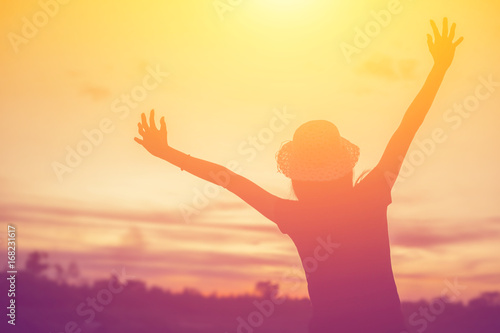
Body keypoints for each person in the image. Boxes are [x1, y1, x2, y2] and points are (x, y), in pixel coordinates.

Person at [134, 18, 463, 333]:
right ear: (344, 166)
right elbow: (407, 128)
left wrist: (167, 153)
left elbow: (228, 178)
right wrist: (439, 68)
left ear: (299, 176)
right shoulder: (372, 194)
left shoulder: (294, 216)